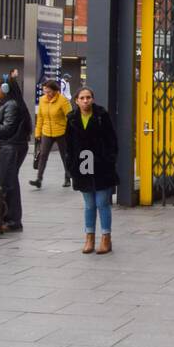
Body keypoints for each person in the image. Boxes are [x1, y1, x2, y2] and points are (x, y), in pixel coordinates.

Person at [65, 86, 119, 255]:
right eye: (82, 98)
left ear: (93, 99)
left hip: (102, 165)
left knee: (102, 202)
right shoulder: (72, 118)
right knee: (89, 204)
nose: (86, 100)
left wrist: (109, 160)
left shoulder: (102, 116)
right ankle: (89, 237)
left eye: (88, 97)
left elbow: (112, 141)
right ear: (76, 101)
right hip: (82, 165)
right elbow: (69, 145)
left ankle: (106, 238)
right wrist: (72, 167)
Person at [0, 72, 32, 232]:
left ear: (5, 89)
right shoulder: (10, 103)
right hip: (12, 146)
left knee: (7, 183)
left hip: (11, 147)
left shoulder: (11, 104)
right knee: (6, 181)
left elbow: (7, 129)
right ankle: (8, 218)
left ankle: (12, 220)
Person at [30, 78, 72, 189]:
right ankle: (39, 179)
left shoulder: (62, 101)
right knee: (43, 155)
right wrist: (37, 133)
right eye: (44, 91)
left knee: (65, 156)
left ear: (55, 90)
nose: (46, 94)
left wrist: (70, 132)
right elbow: (40, 118)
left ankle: (67, 177)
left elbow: (70, 117)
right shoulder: (42, 100)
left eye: (48, 91)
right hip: (46, 132)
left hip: (61, 132)